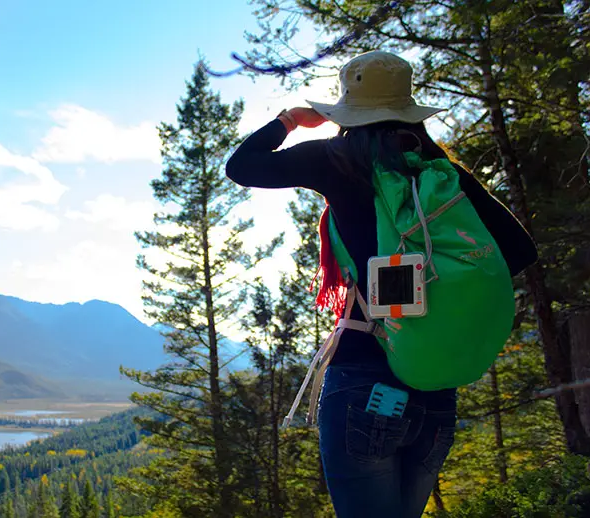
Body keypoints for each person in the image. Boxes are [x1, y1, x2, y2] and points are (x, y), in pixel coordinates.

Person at [226, 50, 538, 518]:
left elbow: (242, 166)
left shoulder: (336, 159)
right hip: (434, 388)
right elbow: (518, 251)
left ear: (349, 109)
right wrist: (439, 292)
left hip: (363, 380)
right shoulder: (439, 171)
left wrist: (289, 119)